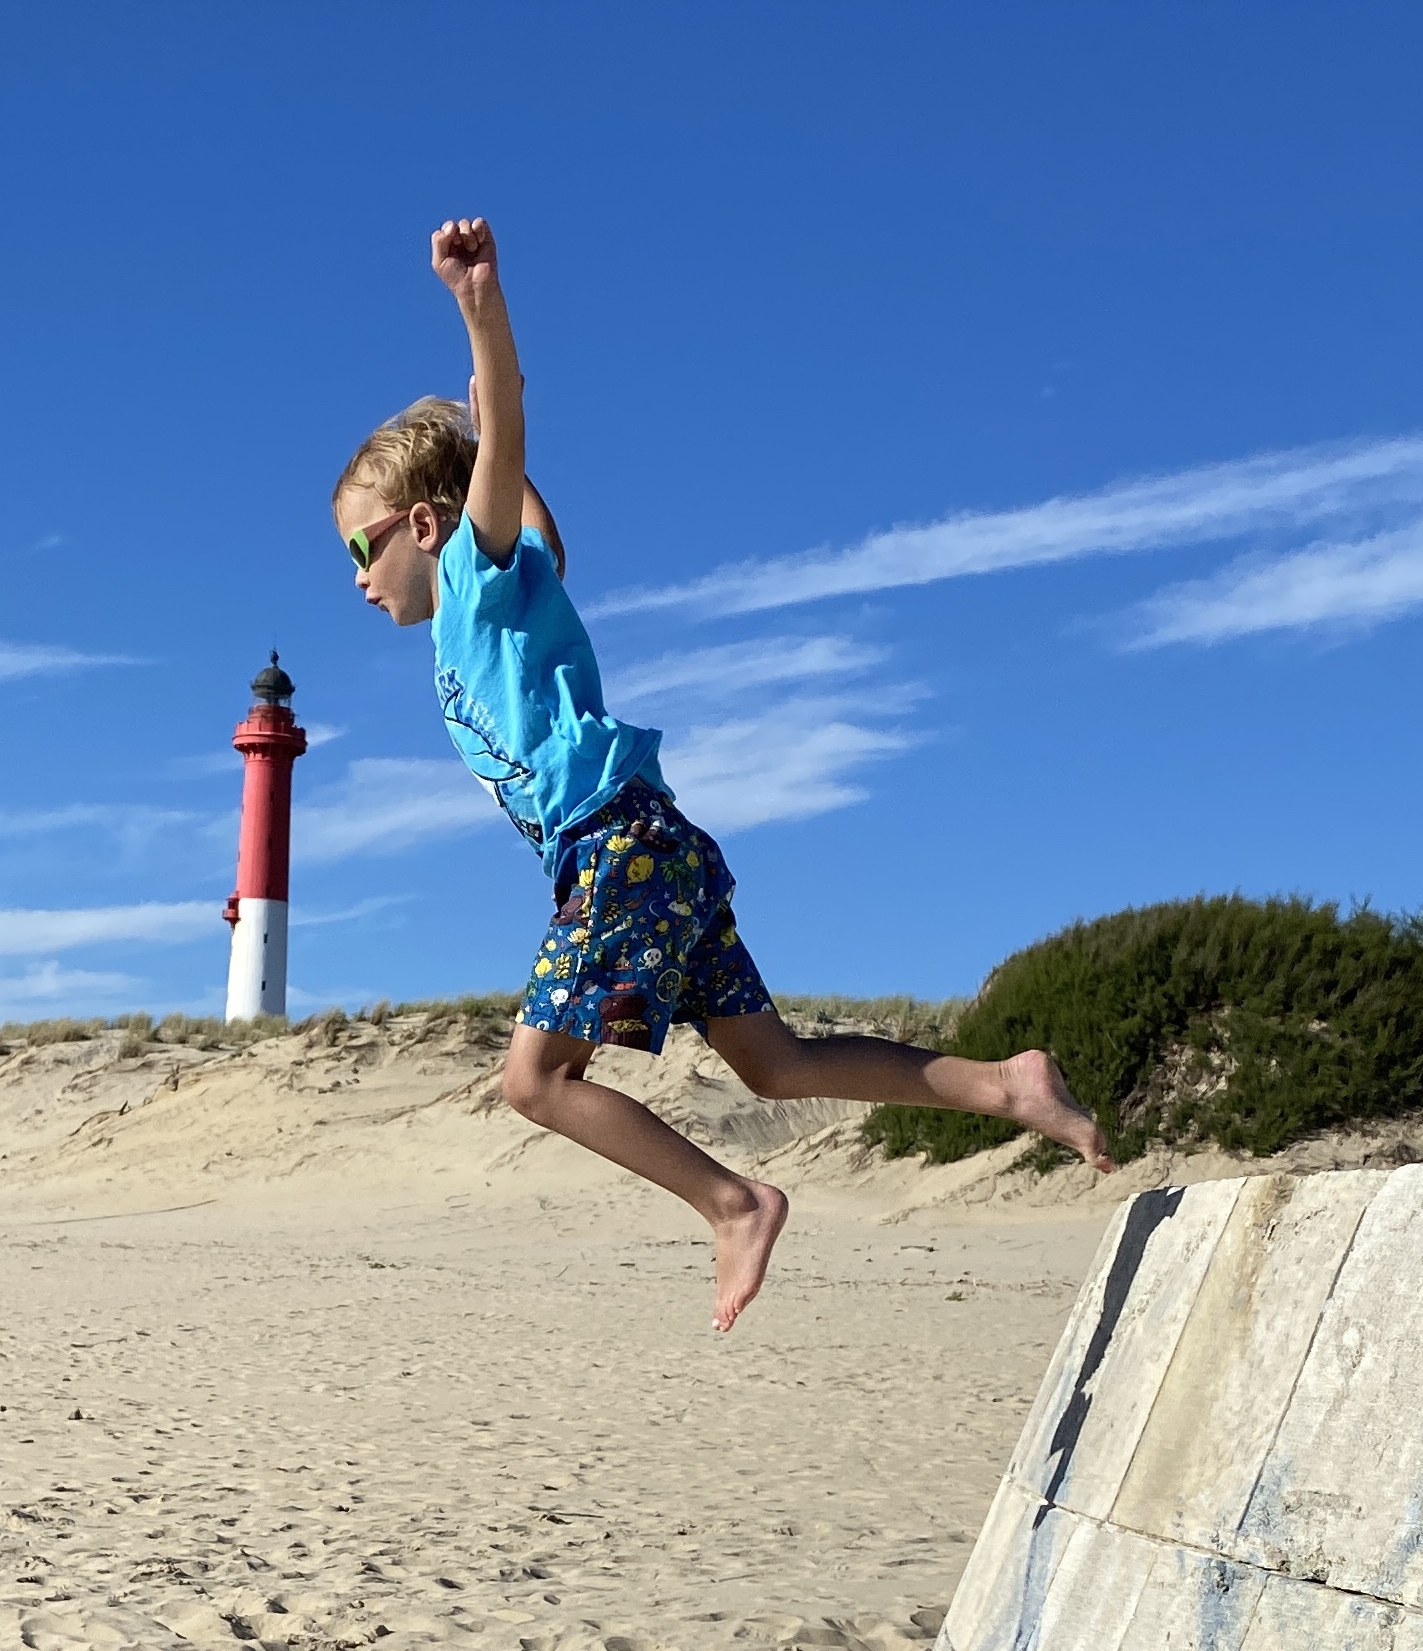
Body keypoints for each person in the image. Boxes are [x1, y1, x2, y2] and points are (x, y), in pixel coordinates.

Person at [333, 216, 1112, 1332]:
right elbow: (522, 486)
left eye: (360, 548)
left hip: (616, 844)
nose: (357, 578)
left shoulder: (478, 578)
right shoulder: (518, 581)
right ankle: (1006, 1084)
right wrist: (476, 430)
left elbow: (503, 443)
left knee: (532, 1083)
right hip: (657, 846)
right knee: (774, 1065)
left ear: (422, 523)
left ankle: (732, 1202)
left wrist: (479, 314)